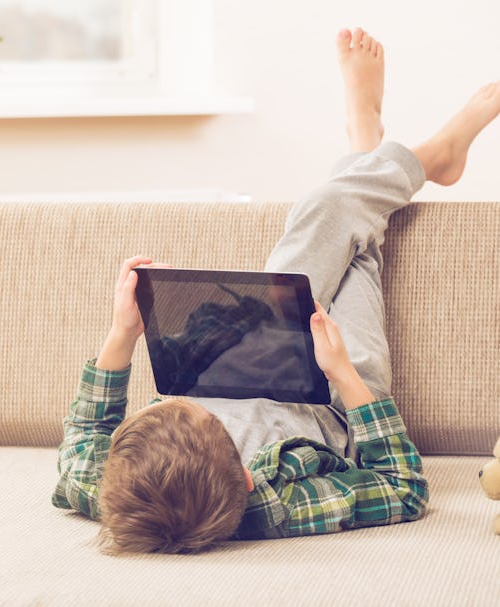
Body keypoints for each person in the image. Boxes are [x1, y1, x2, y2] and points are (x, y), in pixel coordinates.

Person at [51, 27, 500, 554]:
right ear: (245, 481)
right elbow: (402, 490)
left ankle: (371, 144)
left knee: (325, 215)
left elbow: (83, 438)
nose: (197, 401)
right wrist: (344, 376)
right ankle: (410, 150)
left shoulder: (111, 491)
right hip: (334, 399)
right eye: (200, 409)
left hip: (257, 340)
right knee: (353, 249)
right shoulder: (279, 505)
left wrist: (123, 332)